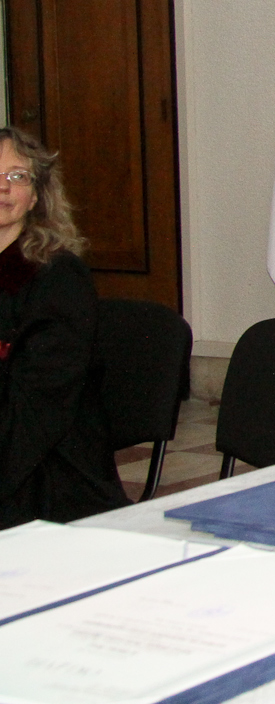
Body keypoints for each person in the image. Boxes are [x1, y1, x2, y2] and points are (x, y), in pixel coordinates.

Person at [0, 128, 129, 527]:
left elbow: (36, 412)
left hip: (47, 482)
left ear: (36, 196)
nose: (3, 187)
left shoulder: (57, 278)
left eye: (18, 176)